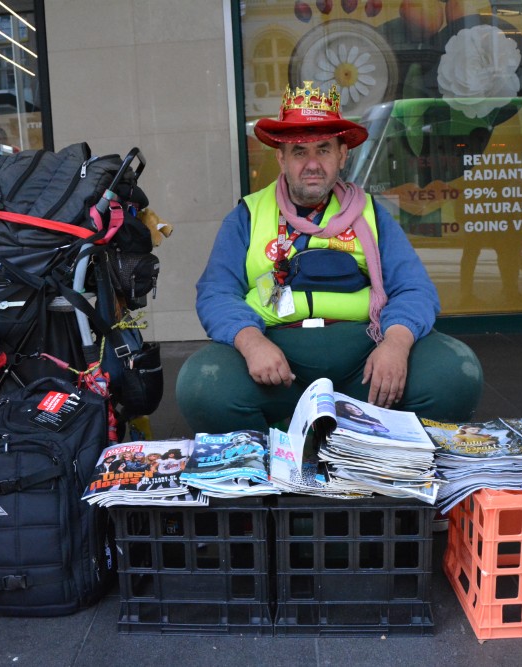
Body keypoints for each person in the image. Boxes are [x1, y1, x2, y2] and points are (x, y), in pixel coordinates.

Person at [176, 81, 483, 433]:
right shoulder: (247, 215)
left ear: (342, 155)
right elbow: (216, 292)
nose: (311, 164)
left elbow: (415, 289)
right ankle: (269, 459)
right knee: (202, 386)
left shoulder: (372, 213)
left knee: (455, 373)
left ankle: (382, 457)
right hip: (278, 365)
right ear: (281, 158)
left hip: (365, 358)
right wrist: (252, 342)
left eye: (323, 150)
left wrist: (396, 344)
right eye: (299, 152)